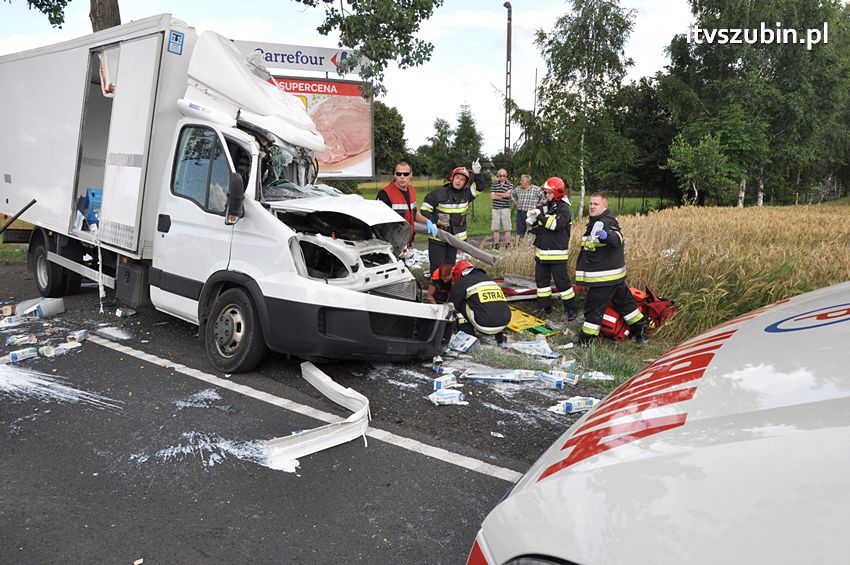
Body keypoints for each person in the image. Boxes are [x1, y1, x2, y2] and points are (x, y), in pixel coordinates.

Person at [575, 192, 648, 346]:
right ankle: (640, 333)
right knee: (626, 305)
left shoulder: (607, 221)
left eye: (596, 204)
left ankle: (584, 342)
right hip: (614, 277)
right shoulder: (595, 221)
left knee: (593, 310)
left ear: (605, 207)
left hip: (604, 279)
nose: (592, 206)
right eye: (591, 204)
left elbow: (617, 238)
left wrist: (605, 236)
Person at [526, 177, 578, 322]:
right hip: (542, 253)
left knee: (563, 283)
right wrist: (532, 218)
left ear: (558, 193)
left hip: (556, 254)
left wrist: (540, 216)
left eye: (549, 192)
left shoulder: (564, 209)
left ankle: (571, 309)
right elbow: (541, 223)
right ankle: (545, 307)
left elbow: (555, 225)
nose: (546, 195)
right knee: (541, 282)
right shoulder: (547, 205)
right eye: (546, 192)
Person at [420, 159, 486, 270]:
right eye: (457, 178)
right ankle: (436, 286)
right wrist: (431, 222)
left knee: (449, 270)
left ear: (465, 183)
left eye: (462, 179)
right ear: (452, 178)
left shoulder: (467, 194)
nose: (459, 181)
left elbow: (480, 187)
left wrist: (477, 174)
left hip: (454, 240)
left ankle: (447, 287)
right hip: (438, 238)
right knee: (437, 270)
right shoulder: (438, 193)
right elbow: (425, 209)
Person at [449, 260, 511, 346]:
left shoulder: (462, 282)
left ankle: (469, 338)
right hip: (504, 322)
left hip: (484, 325)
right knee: (495, 305)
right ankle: (501, 340)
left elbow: (451, 305)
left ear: (458, 273)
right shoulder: (489, 279)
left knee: (456, 307)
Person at [376, 161, 419, 245]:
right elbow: (378, 223)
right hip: (391, 244)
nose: (402, 177)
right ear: (394, 175)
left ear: (411, 175)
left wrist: (428, 221)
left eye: (405, 174)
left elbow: (414, 213)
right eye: (399, 174)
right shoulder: (385, 194)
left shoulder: (412, 190)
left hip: (408, 241)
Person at [489, 169, 513, 249]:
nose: (502, 177)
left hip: (505, 208)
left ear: (506, 176)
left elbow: (507, 195)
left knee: (507, 228)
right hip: (495, 209)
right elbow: (492, 196)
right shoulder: (494, 184)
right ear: (498, 176)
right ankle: (496, 245)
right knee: (495, 228)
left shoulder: (509, 184)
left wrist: (497, 193)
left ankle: (508, 245)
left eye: (504, 175)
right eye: (500, 176)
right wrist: (503, 194)